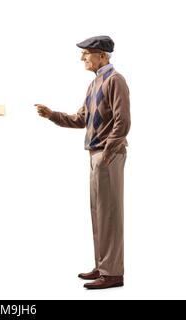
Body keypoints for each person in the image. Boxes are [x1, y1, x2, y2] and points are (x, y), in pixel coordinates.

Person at [35, 35, 130, 289]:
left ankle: (112, 273)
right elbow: (81, 119)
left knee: (110, 214)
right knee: (98, 212)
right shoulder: (94, 84)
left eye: (86, 53)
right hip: (95, 155)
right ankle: (102, 266)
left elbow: (123, 122)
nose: (82, 57)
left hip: (107, 155)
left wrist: (108, 152)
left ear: (102, 55)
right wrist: (51, 115)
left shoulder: (115, 80)